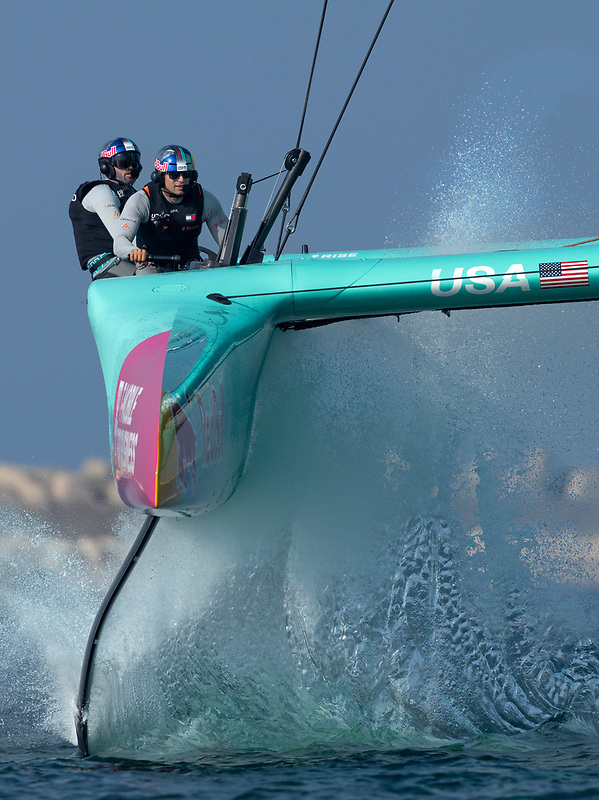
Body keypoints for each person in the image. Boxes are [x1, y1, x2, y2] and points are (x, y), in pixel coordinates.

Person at [113, 144, 228, 272]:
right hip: (151, 266)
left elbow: (227, 243)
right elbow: (120, 242)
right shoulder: (141, 200)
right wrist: (133, 252)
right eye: (174, 175)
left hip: (191, 266)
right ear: (160, 176)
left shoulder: (205, 199)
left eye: (186, 175)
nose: (181, 180)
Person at [69, 138, 143, 279]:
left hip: (127, 261)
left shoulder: (133, 194)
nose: (131, 168)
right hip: (109, 265)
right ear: (106, 166)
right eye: (123, 162)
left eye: (134, 162)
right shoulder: (100, 191)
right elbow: (121, 236)